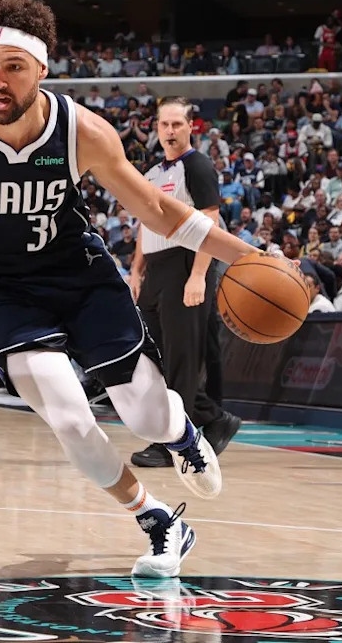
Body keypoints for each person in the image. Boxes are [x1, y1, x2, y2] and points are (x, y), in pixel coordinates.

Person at [0, 0, 260, 577]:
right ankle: (160, 521)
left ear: (42, 69)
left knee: (144, 417)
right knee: (67, 416)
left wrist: (250, 258)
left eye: (13, 66)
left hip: (78, 279)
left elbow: (160, 213)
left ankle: (183, 435)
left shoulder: (82, 131)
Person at [127, 103, 242, 469]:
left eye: (177, 123)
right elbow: (146, 223)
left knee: (181, 359)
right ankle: (214, 418)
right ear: (156, 129)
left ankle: (172, 441)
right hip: (157, 270)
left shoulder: (198, 166)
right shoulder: (152, 172)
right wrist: (137, 269)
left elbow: (211, 221)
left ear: (190, 127)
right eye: (164, 124)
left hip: (188, 264)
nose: (170, 130)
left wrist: (198, 275)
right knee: (155, 358)